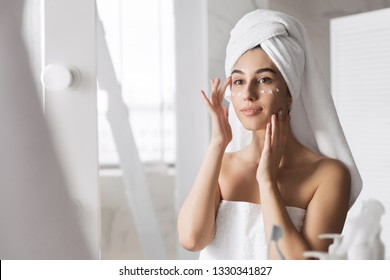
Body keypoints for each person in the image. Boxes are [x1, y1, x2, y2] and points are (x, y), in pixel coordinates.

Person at [177, 9, 362, 260]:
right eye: (239, 81)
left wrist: (267, 181)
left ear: (290, 92)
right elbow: (191, 239)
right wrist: (217, 145)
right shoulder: (223, 164)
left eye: (264, 80)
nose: (248, 94)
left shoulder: (328, 175)